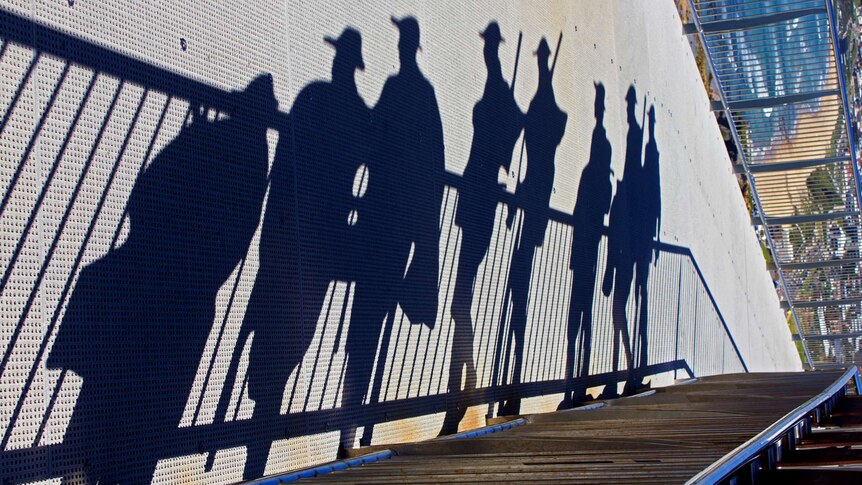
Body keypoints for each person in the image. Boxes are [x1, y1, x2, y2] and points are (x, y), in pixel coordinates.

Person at [48, 75, 276, 484]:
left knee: (104, 403)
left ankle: (81, 474)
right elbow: (236, 234)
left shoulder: (214, 140)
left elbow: (148, 192)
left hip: (157, 287)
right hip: (186, 300)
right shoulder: (252, 156)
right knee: (146, 418)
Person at [227, 28, 372, 480]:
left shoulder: (312, 99)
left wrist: (270, 236)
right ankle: (259, 444)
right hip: (321, 242)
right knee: (289, 338)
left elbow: (282, 170)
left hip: (292, 236)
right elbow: (364, 180)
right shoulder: (359, 116)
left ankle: (259, 441)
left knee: (273, 336)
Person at [341, 16, 444, 449]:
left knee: (367, 315)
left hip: (387, 218)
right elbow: (430, 163)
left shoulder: (408, 91)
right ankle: (357, 420)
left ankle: (354, 422)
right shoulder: (416, 93)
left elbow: (374, 141)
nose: (401, 47)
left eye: (403, 40)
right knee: (370, 316)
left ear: (408, 46)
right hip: (394, 220)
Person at [440, 21, 524, 435]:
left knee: (460, 295)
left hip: (482, 197)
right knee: (461, 295)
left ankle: (465, 386)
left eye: (491, 46)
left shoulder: (503, 102)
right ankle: (465, 382)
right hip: (475, 193)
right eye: (487, 46)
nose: (487, 53)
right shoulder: (503, 100)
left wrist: (511, 139)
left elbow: (508, 155)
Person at [499, 37, 566, 415]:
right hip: (531, 196)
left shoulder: (550, 113)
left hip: (535, 199)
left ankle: (516, 380)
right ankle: (514, 380)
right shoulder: (547, 113)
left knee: (518, 291)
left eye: (541, 61)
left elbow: (538, 153)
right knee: (516, 289)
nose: (540, 66)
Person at [560, 82, 612, 408]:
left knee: (577, 312)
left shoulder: (589, 176)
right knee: (583, 312)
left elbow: (584, 208)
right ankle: (577, 382)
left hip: (583, 248)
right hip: (589, 249)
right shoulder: (602, 182)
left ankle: (574, 384)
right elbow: (600, 210)